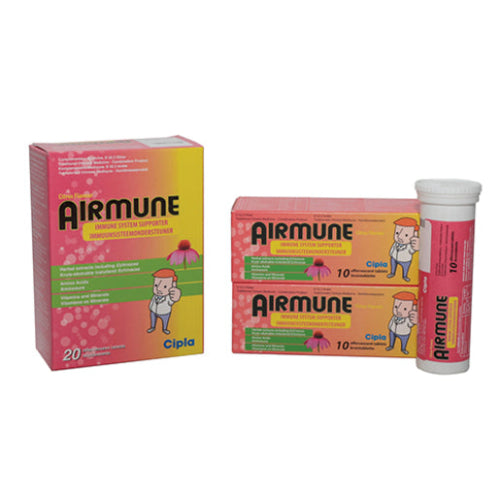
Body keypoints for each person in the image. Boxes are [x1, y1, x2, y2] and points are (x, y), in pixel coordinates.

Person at [147, 269, 182, 334]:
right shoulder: (155, 295)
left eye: (164, 286)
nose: (158, 289)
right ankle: (152, 327)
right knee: (153, 320)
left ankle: (164, 329)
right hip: (153, 311)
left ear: (173, 285)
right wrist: (151, 307)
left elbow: (172, 301)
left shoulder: (168, 297)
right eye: (156, 285)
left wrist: (176, 296)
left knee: (165, 321)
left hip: (164, 313)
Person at [387, 217, 419, 282]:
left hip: (405, 260)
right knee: (393, 265)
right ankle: (392, 273)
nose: (399, 237)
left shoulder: (409, 246)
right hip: (394, 257)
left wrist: (416, 247)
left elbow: (412, 250)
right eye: (397, 233)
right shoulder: (396, 243)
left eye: (406, 235)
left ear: (414, 235)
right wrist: (391, 254)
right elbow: (393, 248)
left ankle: (405, 276)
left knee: (405, 268)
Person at [386, 291, 417, 355]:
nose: (398, 311)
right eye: (396, 307)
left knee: (404, 341)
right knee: (391, 339)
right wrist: (390, 327)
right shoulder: (394, 316)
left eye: (405, 309)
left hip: (404, 333)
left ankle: (403, 349)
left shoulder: (407, 319)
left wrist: (415, 320)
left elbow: (411, 324)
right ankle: (391, 346)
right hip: (393, 331)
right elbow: (391, 321)